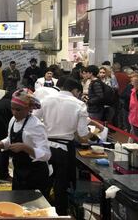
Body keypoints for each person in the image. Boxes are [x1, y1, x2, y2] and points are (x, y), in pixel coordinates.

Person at [34, 78, 103, 215]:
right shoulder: (79, 104)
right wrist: (93, 135)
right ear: (75, 90)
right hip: (64, 149)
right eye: (79, 92)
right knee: (61, 183)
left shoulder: (46, 100)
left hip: (45, 146)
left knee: (45, 180)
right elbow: (82, 133)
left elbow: (35, 119)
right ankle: (60, 213)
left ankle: (41, 211)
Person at [0, 89, 51, 196]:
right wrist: (0, 144)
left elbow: (46, 154)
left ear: (29, 108)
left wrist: (25, 148)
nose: (14, 112)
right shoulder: (13, 120)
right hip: (19, 172)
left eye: (18, 110)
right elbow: (10, 139)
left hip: (35, 174)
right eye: (12, 109)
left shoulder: (36, 125)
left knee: (33, 209)